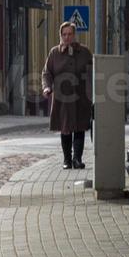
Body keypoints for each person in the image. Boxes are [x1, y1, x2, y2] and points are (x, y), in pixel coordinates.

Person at [42, 21, 94, 169]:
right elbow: (47, 73)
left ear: (74, 35)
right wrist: (46, 87)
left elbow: (92, 74)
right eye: (64, 34)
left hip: (81, 97)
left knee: (79, 127)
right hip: (62, 98)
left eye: (70, 34)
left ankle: (77, 159)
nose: (67, 37)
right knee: (65, 128)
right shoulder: (55, 53)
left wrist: (92, 94)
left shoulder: (84, 52)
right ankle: (66, 160)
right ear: (60, 36)